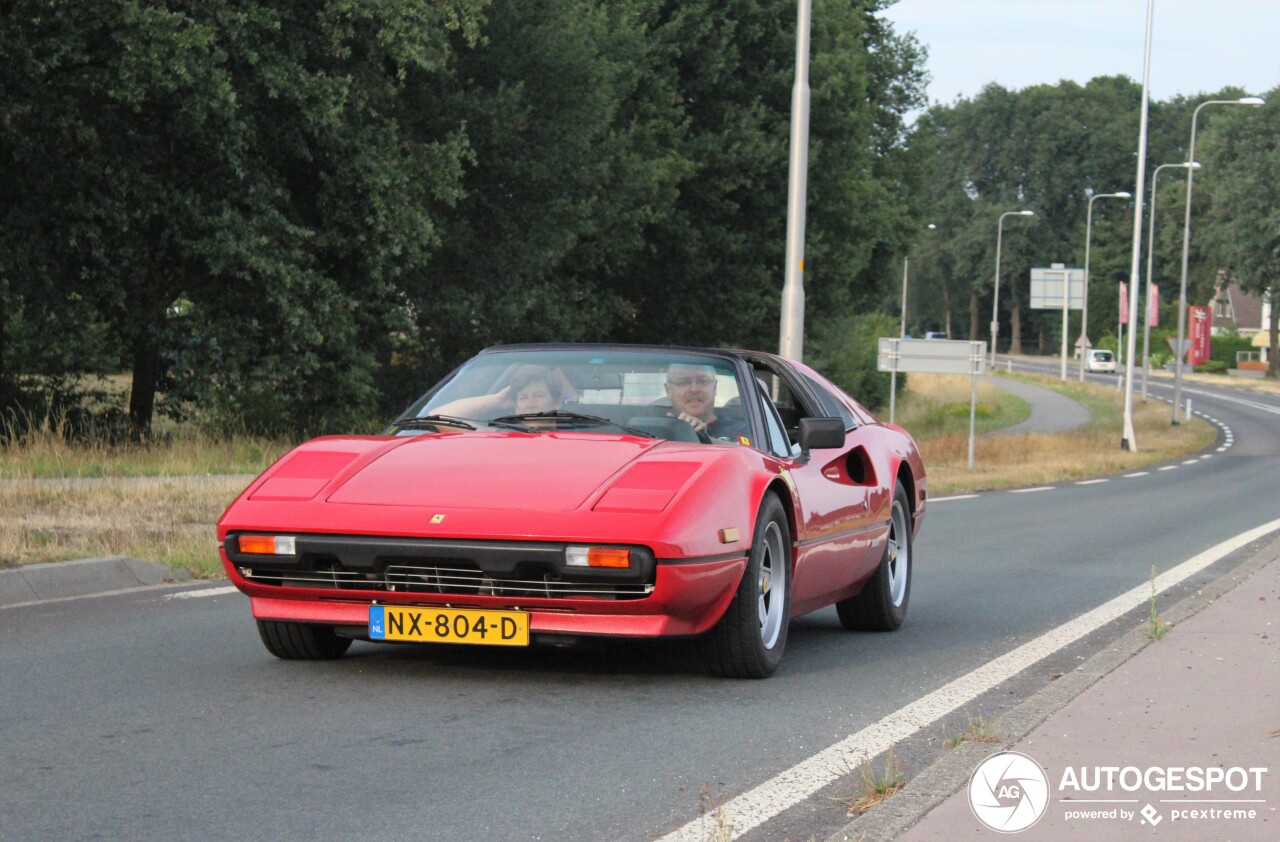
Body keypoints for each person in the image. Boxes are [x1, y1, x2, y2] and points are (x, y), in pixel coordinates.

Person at [663, 362, 748, 440]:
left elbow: (749, 450)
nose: (694, 389)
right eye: (683, 382)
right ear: (668, 390)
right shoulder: (656, 430)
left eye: (703, 381)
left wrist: (705, 439)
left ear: (714, 388)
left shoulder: (744, 431)